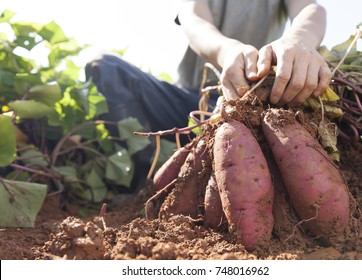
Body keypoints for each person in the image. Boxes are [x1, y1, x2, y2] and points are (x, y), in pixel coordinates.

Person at [85, 0, 331, 189]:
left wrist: (300, 40)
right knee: (105, 67)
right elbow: (193, 20)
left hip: (251, 105)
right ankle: (145, 182)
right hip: (193, 103)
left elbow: (310, 9)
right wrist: (228, 52)